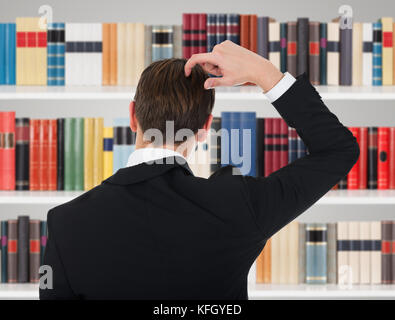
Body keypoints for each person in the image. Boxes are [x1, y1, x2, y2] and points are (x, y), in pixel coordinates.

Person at [40, 41, 359, 299]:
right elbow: (338, 150)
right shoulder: (238, 204)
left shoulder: (65, 222)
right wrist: (264, 73)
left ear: (133, 116)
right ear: (206, 127)